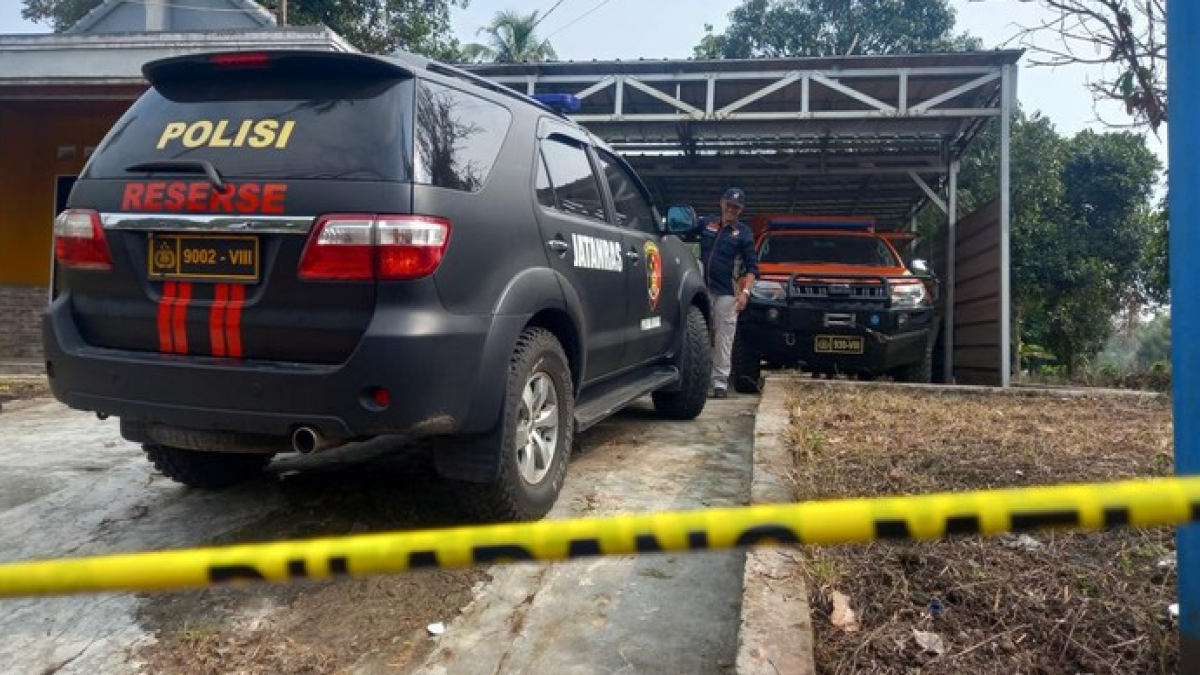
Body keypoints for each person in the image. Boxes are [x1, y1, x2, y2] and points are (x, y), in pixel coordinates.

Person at [698, 187, 759, 398]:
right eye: (728, 204)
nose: (731, 209)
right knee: (700, 335)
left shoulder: (744, 233)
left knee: (724, 337)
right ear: (721, 203)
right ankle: (699, 379)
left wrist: (745, 293)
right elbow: (683, 228)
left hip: (727, 292)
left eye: (736, 207)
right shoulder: (707, 223)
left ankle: (720, 383)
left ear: (740, 210)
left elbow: (752, 267)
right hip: (702, 290)